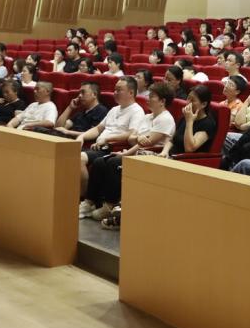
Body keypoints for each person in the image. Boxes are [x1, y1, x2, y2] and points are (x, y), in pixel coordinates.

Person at [82, 83, 177, 225]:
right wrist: (137, 140)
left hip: (151, 158)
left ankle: (109, 205)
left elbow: (148, 142)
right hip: (135, 152)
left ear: (162, 101)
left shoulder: (166, 119)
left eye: (152, 96)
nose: (147, 99)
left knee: (114, 162)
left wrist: (126, 153)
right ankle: (90, 202)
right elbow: (132, 138)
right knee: (100, 162)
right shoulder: (147, 117)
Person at [74, 78, 145, 203]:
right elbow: (98, 129)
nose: (115, 93)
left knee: (79, 158)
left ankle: (83, 199)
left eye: (119, 90)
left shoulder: (137, 111)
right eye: (115, 90)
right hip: (99, 145)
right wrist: (82, 136)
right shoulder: (114, 109)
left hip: (113, 148)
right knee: (69, 154)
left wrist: (107, 139)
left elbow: (131, 134)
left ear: (131, 92)